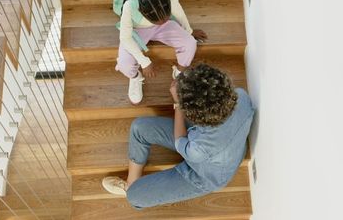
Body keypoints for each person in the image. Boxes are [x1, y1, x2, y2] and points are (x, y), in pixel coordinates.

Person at [102, 63, 254, 208]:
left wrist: (178, 104)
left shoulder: (199, 149)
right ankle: (131, 181)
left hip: (203, 176)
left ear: (196, 116)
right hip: (215, 147)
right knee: (139, 127)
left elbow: (179, 141)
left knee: (134, 196)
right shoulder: (241, 97)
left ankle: (130, 188)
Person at [113, 0, 208, 104]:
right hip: (137, 29)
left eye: (167, 16)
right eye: (159, 20)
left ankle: (179, 72)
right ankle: (135, 77)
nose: (164, 20)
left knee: (190, 43)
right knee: (125, 63)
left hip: (165, 28)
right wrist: (144, 62)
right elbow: (125, 38)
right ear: (144, 14)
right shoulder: (129, 6)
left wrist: (189, 31)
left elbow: (179, 14)